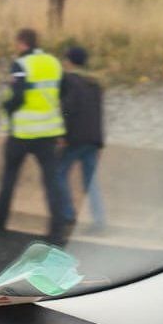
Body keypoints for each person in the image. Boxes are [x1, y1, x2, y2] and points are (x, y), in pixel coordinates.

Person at [0, 28, 68, 245]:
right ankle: (57, 231)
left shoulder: (21, 65)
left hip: (22, 134)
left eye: (17, 44)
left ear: (22, 43)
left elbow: (18, 95)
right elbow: (62, 92)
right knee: (52, 182)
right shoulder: (53, 63)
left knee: (9, 177)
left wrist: (7, 106)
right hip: (48, 133)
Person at [55, 46, 107, 233]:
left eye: (65, 59)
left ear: (69, 61)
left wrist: (62, 136)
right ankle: (100, 222)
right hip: (92, 139)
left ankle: (68, 216)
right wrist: (100, 142)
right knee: (90, 182)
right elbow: (98, 114)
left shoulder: (68, 80)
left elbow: (68, 109)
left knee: (59, 173)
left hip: (74, 139)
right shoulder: (95, 83)